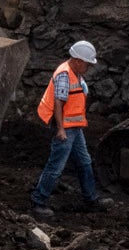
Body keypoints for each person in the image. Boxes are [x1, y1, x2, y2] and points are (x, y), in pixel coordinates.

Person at [28, 40, 108, 215]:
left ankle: (91, 199)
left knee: (85, 162)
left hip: (74, 127)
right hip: (65, 128)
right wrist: (61, 129)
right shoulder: (65, 75)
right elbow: (58, 102)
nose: (88, 67)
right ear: (78, 60)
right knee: (56, 166)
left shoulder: (75, 72)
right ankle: (38, 201)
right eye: (87, 64)